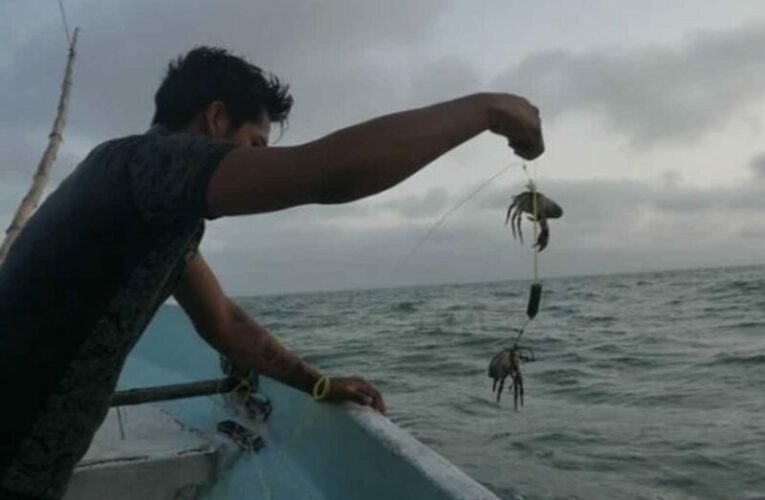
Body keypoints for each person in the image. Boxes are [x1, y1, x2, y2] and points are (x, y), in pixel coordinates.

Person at [0, 46, 543, 499]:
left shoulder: (145, 208)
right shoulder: (153, 164)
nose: (259, 160)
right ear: (215, 120)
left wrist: (318, 383)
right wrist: (488, 109)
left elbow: (225, 325)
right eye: (256, 145)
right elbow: (324, 172)